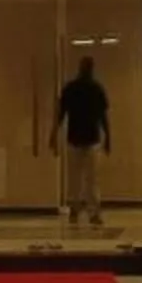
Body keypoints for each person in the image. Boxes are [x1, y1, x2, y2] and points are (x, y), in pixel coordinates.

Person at [54, 57, 110, 228]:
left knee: (76, 179)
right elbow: (103, 117)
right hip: (91, 138)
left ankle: (75, 209)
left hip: (75, 138)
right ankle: (91, 212)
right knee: (91, 179)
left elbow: (61, 114)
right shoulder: (96, 89)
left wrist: (53, 134)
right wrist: (108, 138)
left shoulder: (71, 88)